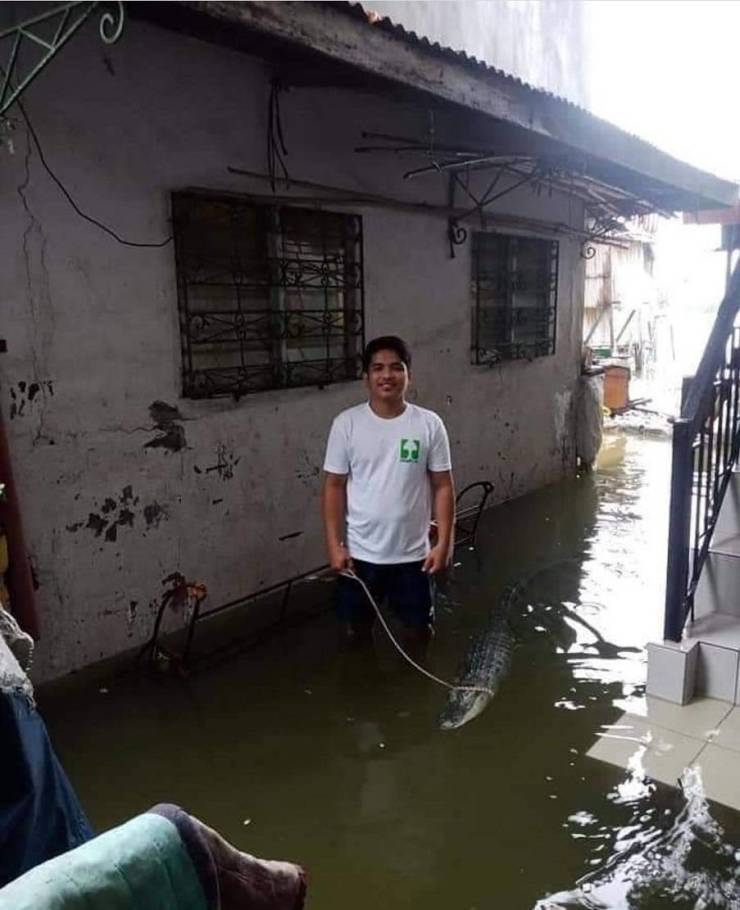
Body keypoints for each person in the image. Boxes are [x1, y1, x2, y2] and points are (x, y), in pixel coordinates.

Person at [321, 336, 454, 646]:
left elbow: (443, 485)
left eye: (396, 367)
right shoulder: (347, 425)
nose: (387, 375)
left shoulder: (429, 424)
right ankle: (362, 690)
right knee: (355, 635)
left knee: (419, 634)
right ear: (366, 377)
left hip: (413, 558)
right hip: (360, 557)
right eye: (378, 368)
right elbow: (333, 487)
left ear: (408, 375)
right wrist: (333, 545)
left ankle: (414, 691)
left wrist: (444, 544)